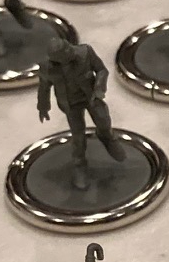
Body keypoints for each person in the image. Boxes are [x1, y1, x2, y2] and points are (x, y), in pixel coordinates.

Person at [37, 36, 124, 173]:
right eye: (64, 52)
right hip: (70, 104)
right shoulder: (47, 68)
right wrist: (43, 107)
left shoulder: (85, 52)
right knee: (78, 134)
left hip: (91, 97)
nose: (69, 51)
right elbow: (44, 88)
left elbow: (101, 70)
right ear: (56, 59)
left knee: (103, 119)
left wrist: (99, 88)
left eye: (67, 47)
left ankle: (106, 137)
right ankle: (79, 162)